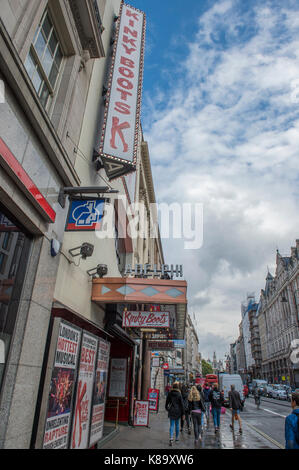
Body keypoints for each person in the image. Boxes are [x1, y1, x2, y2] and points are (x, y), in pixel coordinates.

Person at [165, 382, 185, 446]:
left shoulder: (170, 393)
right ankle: (176, 438)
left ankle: (171, 438)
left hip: (171, 411)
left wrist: (167, 409)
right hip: (178, 411)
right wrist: (183, 413)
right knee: (177, 425)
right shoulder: (179, 394)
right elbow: (182, 405)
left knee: (171, 425)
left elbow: (167, 403)